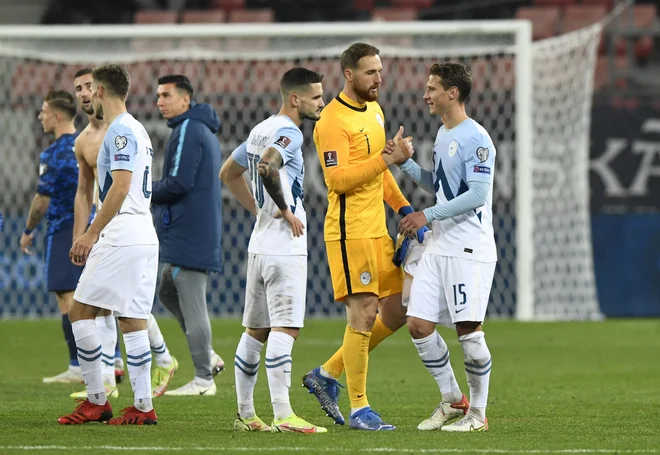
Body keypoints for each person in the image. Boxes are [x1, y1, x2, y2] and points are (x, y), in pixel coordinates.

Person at [301, 43, 421, 431]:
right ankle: (359, 409)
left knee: (399, 309)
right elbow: (336, 180)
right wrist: (387, 157)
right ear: (349, 75)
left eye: (380, 71)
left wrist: (403, 208)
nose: (379, 79)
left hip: (377, 230)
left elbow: (379, 174)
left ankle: (327, 373)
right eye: (370, 72)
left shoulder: (375, 110)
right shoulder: (332, 121)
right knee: (364, 313)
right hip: (348, 233)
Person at [220, 67, 327, 433]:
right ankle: (284, 415)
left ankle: (246, 415)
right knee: (286, 329)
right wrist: (282, 209)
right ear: (295, 99)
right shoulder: (289, 133)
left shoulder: (258, 129)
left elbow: (228, 174)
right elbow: (267, 165)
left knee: (255, 331)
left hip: (259, 244)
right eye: (316, 97)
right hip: (284, 246)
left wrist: (257, 209)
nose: (321, 102)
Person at [396, 62, 496, 432]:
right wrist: (406, 165)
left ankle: (477, 415)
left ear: (452, 93)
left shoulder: (477, 138)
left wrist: (426, 215)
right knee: (418, 324)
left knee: (469, 331)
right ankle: (454, 400)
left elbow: (478, 194)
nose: (426, 95)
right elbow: (438, 188)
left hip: (468, 248)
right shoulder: (441, 134)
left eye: (433, 88)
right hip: (440, 245)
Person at [58, 64, 159, 425]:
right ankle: (144, 406)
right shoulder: (138, 129)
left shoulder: (119, 132)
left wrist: (90, 233)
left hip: (122, 232)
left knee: (80, 313)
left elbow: (119, 186)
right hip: (144, 233)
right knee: (132, 320)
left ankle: (96, 401)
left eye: (91, 90)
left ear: (99, 91)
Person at [151, 74, 224, 396]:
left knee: (192, 303)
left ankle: (203, 378)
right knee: (168, 291)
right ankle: (206, 355)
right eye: (158, 96)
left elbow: (179, 183)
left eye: (166, 95)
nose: (160, 102)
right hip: (192, 228)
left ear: (186, 99)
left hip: (189, 230)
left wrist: (140, 191)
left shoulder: (188, 130)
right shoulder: (197, 129)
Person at [21, 90, 83, 385]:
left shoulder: (54, 153)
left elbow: (41, 200)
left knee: (66, 297)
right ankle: (109, 363)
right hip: (94, 226)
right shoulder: (89, 142)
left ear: (57, 116)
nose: (40, 116)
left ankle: (78, 366)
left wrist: (28, 230)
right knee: (96, 299)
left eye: (44, 111)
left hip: (63, 229)